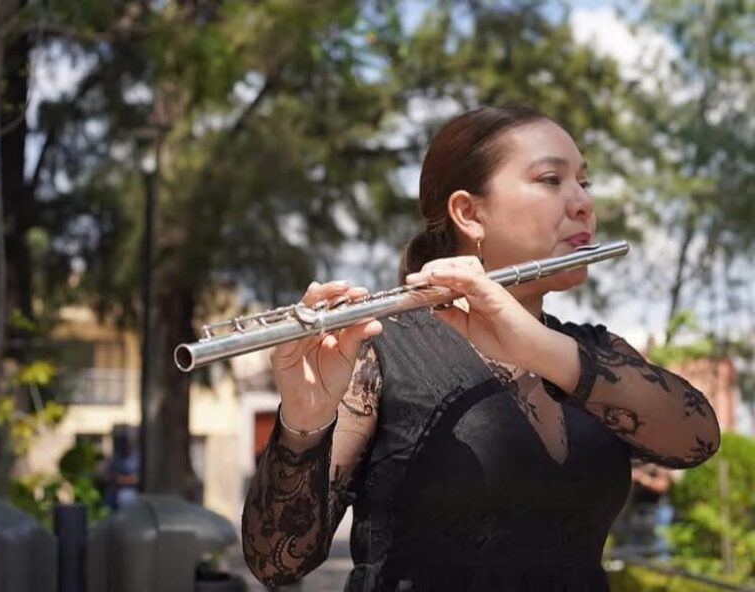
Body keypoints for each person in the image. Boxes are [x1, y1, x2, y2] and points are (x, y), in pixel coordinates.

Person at [240, 105, 721, 591]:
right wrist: (302, 428)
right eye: (551, 180)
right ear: (469, 213)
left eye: (584, 183)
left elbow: (696, 436)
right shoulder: (378, 348)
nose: (582, 203)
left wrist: (537, 346)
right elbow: (276, 562)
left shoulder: (594, 353)